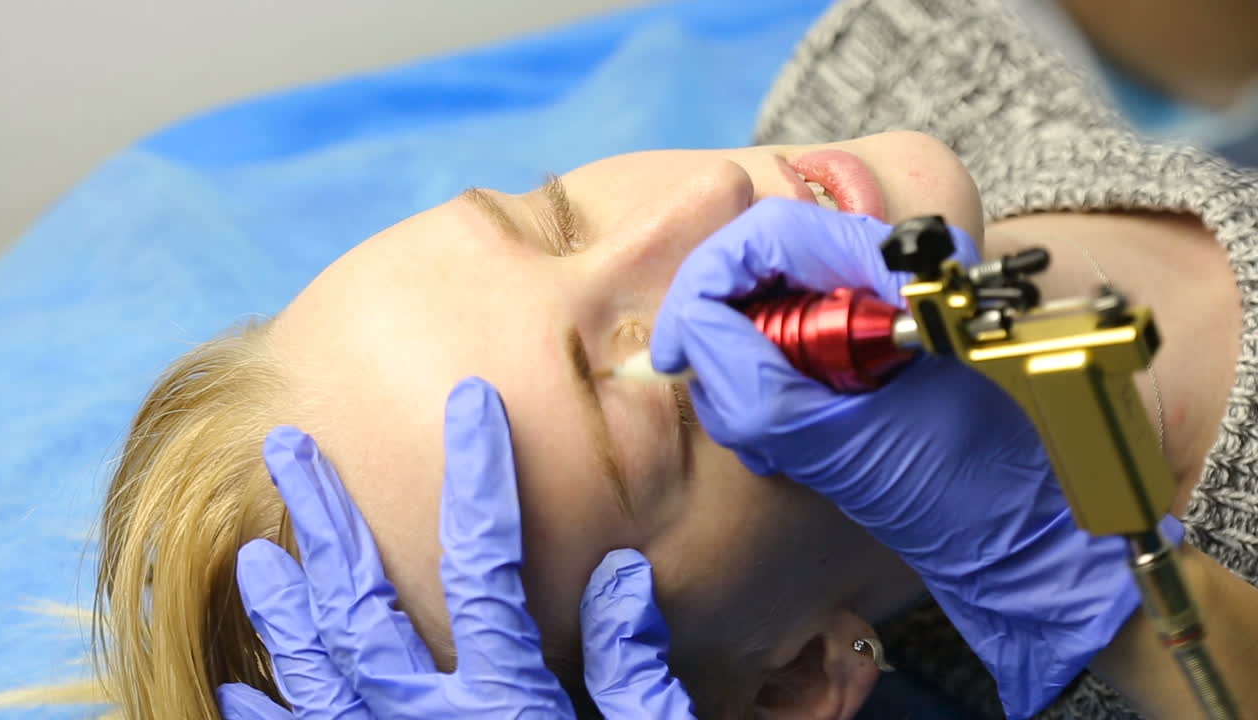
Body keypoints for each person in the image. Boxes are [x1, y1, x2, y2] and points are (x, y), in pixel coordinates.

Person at [77, 1, 1258, 719]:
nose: (706, 199)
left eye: (551, 219)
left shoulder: (897, 68)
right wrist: (1104, 588)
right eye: (653, 381)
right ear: (792, 679)